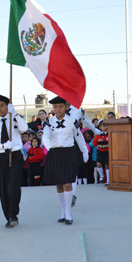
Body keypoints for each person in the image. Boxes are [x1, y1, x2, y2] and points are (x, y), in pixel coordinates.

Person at [42, 96, 88, 225]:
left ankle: (68, 214)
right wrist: (50, 147)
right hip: (54, 153)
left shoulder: (73, 121)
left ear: (66, 107)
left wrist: (84, 151)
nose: (58, 109)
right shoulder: (48, 122)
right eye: (55, 107)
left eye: (60, 106)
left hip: (68, 153)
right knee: (58, 184)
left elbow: (79, 137)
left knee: (67, 183)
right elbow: (45, 137)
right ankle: (62, 213)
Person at [0, 95, 28, 229]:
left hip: (15, 155)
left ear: (8, 106)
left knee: (13, 184)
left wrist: (14, 113)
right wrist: (2, 146)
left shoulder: (14, 119)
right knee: (3, 187)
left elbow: (24, 128)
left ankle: (14, 213)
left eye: (2, 105)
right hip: (1, 156)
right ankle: (8, 216)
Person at [93, 121, 110, 185]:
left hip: (107, 151)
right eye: (104, 126)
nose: (106, 127)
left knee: (107, 165)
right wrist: (97, 140)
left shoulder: (109, 134)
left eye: (107, 126)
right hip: (100, 151)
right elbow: (94, 143)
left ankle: (108, 181)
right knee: (98, 164)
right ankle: (101, 176)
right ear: (100, 127)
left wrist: (104, 140)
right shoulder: (98, 135)